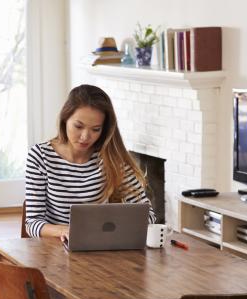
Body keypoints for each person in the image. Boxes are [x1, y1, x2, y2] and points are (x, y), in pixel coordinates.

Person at [25, 84, 156, 241]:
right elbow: (32, 223)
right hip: (55, 251)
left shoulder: (111, 157)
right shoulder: (40, 156)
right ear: (65, 119)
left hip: (100, 249)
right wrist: (66, 231)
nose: (85, 136)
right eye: (78, 126)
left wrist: (119, 228)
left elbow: (148, 215)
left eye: (95, 129)